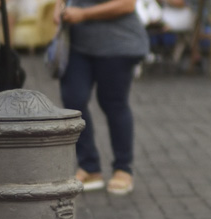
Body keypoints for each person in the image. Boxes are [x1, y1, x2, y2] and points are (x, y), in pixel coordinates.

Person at [55, 0, 149, 196]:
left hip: (118, 43)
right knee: (73, 100)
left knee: (113, 103)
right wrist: (60, 8)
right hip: (77, 44)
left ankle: (123, 168)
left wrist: (84, 14)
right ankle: (89, 167)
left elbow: (127, 5)